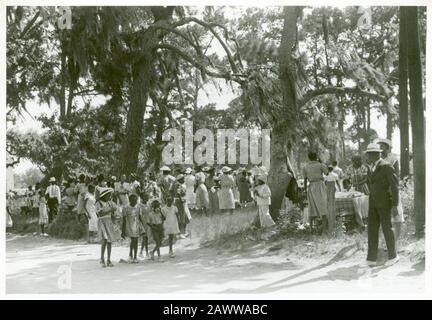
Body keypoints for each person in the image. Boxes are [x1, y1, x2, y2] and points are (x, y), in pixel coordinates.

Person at [364, 143, 399, 267]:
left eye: (369, 154)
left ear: (376, 154)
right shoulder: (370, 167)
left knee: (386, 229)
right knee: (372, 230)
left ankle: (393, 256)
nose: (367, 156)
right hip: (373, 203)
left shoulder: (386, 166)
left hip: (385, 203)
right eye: (367, 153)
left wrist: (395, 205)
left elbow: (394, 187)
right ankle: (371, 258)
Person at [376, 138, 404, 247]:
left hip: (392, 189)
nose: (380, 149)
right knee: (384, 217)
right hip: (381, 192)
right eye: (379, 147)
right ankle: (386, 242)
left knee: (397, 214)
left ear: (387, 148)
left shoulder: (393, 159)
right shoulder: (377, 160)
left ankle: (396, 242)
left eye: (382, 147)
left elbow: (396, 176)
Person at [303, 152, 329, 233]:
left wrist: (304, 189)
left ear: (309, 157)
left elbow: (305, 179)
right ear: (316, 157)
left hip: (311, 186)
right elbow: (327, 173)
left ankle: (311, 228)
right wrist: (321, 161)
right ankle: (324, 229)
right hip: (319, 185)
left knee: (312, 206)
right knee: (323, 205)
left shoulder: (306, 167)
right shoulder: (320, 165)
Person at [96, 188, 118, 267]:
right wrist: (109, 210)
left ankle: (108, 259)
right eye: (108, 195)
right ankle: (102, 258)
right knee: (104, 240)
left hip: (109, 222)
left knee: (109, 241)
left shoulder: (109, 203)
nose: (109, 197)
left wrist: (114, 220)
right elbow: (99, 214)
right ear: (104, 195)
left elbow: (114, 212)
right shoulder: (98, 203)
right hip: (102, 222)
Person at [122, 194, 144, 263]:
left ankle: (134, 256)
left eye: (136, 200)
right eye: (133, 200)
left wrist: (143, 227)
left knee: (135, 240)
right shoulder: (126, 208)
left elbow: (140, 218)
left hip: (136, 226)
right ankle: (131, 255)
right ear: (129, 200)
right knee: (133, 240)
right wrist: (123, 230)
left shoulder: (138, 207)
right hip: (129, 226)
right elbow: (124, 220)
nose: (135, 201)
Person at [324, 166, 341, 235]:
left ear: (328, 169)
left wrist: (326, 186)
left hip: (328, 186)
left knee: (328, 196)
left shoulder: (326, 175)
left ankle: (329, 203)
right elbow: (337, 182)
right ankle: (332, 203)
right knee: (332, 195)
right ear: (332, 169)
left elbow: (325, 182)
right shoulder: (335, 175)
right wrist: (339, 188)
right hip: (332, 185)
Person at [139, 193, 151, 258]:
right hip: (143, 222)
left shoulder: (149, 204)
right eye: (145, 196)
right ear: (142, 197)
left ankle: (141, 252)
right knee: (145, 238)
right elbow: (140, 215)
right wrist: (141, 224)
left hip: (148, 222)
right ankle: (146, 252)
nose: (147, 198)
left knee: (146, 238)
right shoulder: (140, 205)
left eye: (147, 196)